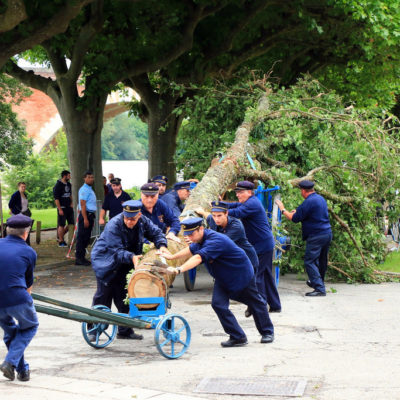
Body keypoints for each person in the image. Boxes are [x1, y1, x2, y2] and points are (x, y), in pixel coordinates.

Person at [159, 217, 274, 347]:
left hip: (240, 275)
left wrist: (179, 269)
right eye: (187, 235)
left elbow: (197, 257)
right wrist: (172, 257)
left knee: (255, 302)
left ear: (201, 229)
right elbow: (191, 250)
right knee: (218, 304)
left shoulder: (215, 240)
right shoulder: (200, 239)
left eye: (191, 234)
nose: (189, 238)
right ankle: (238, 337)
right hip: (223, 277)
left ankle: (267, 332)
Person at [90, 200, 168, 341]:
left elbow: (156, 232)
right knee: (103, 297)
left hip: (127, 261)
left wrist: (162, 244)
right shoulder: (113, 225)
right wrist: (132, 257)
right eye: (126, 218)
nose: (129, 222)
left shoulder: (143, 221)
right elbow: (116, 251)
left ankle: (124, 330)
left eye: (132, 219)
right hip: (106, 262)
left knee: (125, 297)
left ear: (139, 215)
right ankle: (94, 330)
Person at [227, 181, 281, 313]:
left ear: (250, 192)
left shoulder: (252, 204)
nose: (238, 195)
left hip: (261, 245)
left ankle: (257, 306)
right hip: (262, 244)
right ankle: (275, 305)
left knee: (256, 276)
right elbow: (234, 205)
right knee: (266, 275)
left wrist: (216, 212)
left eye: (241, 192)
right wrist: (218, 205)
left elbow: (236, 212)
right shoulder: (249, 201)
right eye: (237, 192)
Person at [275, 180, 332, 296]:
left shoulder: (309, 202)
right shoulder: (319, 199)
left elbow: (294, 218)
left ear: (303, 191)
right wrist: (298, 212)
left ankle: (320, 289)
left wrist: (282, 209)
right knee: (321, 260)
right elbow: (312, 214)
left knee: (310, 261)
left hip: (316, 235)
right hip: (326, 233)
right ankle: (318, 282)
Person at [0, 214, 38, 382]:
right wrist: (27, 302)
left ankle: (22, 370)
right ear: (26, 233)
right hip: (17, 296)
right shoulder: (28, 252)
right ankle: (9, 361)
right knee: (30, 326)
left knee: (12, 332)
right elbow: (28, 282)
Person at [196, 201, 259, 270]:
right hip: (230, 262)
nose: (216, 219)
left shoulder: (236, 226)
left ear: (226, 213)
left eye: (219, 215)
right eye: (214, 215)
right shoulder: (213, 219)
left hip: (247, 263)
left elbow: (218, 244)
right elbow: (208, 216)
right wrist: (201, 212)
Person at [75, 171, 97, 266]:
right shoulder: (84, 189)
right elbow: (83, 204)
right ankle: (79, 258)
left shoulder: (89, 189)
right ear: (84, 178)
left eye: (92, 177)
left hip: (90, 214)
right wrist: (85, 218)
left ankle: (82, 257)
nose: (91, 179)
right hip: (86, 215)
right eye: (89, 177)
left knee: (86, 237)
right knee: (82, 237)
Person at [53, 170, 74, 247]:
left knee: (72, 223)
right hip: (62, 207)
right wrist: (60, 209)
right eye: (69, 175)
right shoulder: (58, 185)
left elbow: (70, 194)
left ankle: (60, 236)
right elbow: (56, 199)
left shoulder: (69, 184)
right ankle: (61, 241)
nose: (70, 177)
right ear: (64, 176)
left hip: (69, 207)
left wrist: (71, 203)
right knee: (61, 224)